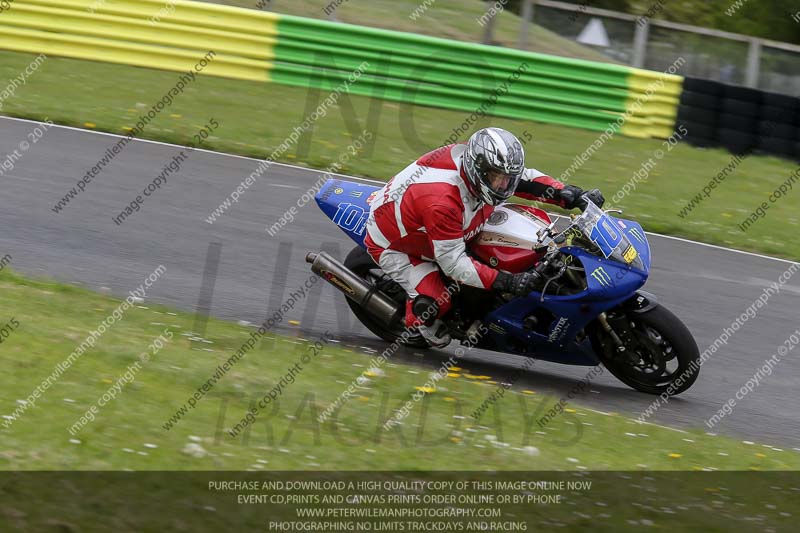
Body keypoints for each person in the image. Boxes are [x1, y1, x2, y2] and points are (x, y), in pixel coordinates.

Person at [364, 127, 604, 347]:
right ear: (477, 170)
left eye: (506, 178)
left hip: (437, 216)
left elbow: (526, 179)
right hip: (398, 244)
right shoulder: (443, 202)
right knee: (436, 303)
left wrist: (570, 194)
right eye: (496, 178)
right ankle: (418, 325)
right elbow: (453, 263)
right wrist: (507, 282)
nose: (503, 185)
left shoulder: (484, 166)